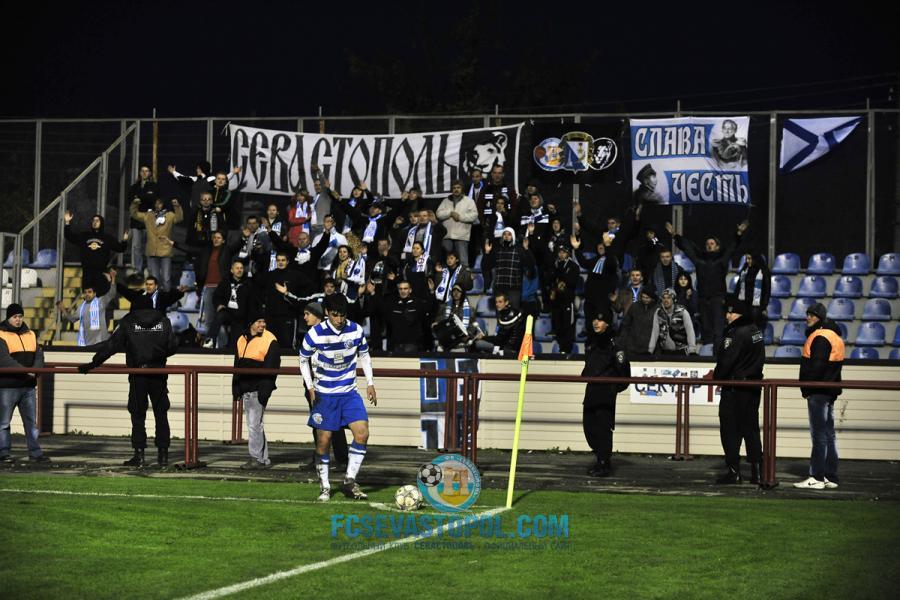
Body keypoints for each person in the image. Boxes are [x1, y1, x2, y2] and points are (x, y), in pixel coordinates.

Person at [78, 304, 178, 467]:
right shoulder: (164, 321)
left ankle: (139, 455)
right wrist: (157, 356)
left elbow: (111, 346)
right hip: (158, 373)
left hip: (137, 373)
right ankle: (163, 455)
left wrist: (93, 364)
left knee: (137, 415)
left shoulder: (128, 321)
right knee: (161, 413)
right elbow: (173, 346)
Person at [299, 294, 377, 502]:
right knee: (323, 442)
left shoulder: (356, 330)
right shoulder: (315, 334)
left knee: (362, 433)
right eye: (335, 315)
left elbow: (364, 355)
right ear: (327, 313)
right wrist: (310, 386)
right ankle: (325, 486)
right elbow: (303, 359)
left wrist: (370, 383)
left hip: (349, 393)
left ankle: (349, 481)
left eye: (342, 315)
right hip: (325, 395)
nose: (339, 319)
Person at [669, 220, 747, 348]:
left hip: (718, 299)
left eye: (712, 243)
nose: (709, 245)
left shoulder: (722, 259)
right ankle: (706, 355)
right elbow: (688, 248)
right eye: (707, 244)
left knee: (718, 330)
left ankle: (718, 355)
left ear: (717, 247)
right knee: (706, 329)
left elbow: (732, 248)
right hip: (703, 299)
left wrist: (738, 233)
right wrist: (675, 235)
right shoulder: (699, 260)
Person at [713, 297, 765, 485]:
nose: (727, 316)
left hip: (735, 388)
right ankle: (757, 471)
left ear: (739, 314)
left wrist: (717, 377)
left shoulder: (736, 333)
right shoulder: (756, 330)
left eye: (731, 312)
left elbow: (727, 360)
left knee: (729, 430)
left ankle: (734, 471)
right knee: (751, 429)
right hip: (753, 386)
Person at [794, 302, 844, 490]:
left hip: (818, 392)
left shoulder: (820, 336)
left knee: (819, 435)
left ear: (820, 318)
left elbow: (817, 367)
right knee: (829, 434)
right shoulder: (834, 335)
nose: (808, 317)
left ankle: (817, 476)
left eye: (812, 315)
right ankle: (830, 475)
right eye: (807, 314)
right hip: (828, 391)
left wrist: (807, 388)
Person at [300, 302, 349, 470]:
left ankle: (342, 460)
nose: (305, 317)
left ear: (317, 316)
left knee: (335, 424)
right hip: (313, 386)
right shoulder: (311, 334)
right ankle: (320, 459)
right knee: (317, 423)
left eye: (308, 314)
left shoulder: (329, 333)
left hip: (328, 385)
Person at [582, 309, 630, 477]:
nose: (596, 323)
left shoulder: (614, 343)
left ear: (608, 323)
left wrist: (612, 388)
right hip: (591, 390)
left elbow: (624, 372)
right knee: (589, 429)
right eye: (594, 319)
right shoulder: (591, 341)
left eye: (600, 320)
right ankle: (601, 458)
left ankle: (603, 463)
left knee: (603, 429)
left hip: (605, 392)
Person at [0, 304, 49, 463]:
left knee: (31, 423)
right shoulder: (1, 334)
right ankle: (3, 453)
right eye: (15, 317)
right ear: (8, 318)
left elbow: (39, 355)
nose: (18, 319)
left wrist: (34, 370)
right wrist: (28, 371)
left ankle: (35, 453)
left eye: (20, 316)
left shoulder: (31, 334)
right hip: (8, 386)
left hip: (28, 386)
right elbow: (4, 360)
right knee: (4, 423)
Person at [232, 315, 280, 469]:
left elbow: (272, 367)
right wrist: (236, 388)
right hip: (247, 388)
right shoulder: (241, 339)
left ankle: (256, 458)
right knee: (255, 424)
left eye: (264, 321)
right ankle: (262, 459)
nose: (263, 324)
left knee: (253, 424)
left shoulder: (270, 339)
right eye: (259, 321)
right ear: (251, 323)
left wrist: (264, 390)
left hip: (257, 389)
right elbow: (237, 365)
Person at [63, 210, 128, 295]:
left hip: (101, 273)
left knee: (100, 297)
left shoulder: (107, 238)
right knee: (88, 298)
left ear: (101, 223)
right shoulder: (85, 236)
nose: (95, 222)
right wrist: (67, 222)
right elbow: (69, 237)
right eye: (93, 220)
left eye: (97, 220)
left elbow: (120, 248)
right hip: (87, 273)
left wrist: (124, 240)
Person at [129, 197, 184, 290]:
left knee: (166, 279)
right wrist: (135, 204)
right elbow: (134, 214)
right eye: (156, 203)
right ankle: (156, 298)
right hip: (152, 252)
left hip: (165, 251)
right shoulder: (148, 215)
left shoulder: (169, 216)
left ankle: (166, 297)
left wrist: (177, 206)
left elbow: (179, 218)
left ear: (163, 204)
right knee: (154, 279)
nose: (157, 205)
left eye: (160, 203)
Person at [57, 271, 116, 347]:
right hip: (89, 344)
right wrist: (63, 309)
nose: (87, 294)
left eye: (89, 292)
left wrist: (113, 279)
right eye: (85, 292)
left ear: (94, 294)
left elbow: (112, 293)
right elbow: (72, 319)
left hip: (102, 342)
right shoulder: (81, 307)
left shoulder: (100, 302)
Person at [481, 227, 536, 310]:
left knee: (514, 314)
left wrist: (526, 249)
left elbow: (531, 264)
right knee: (500, 315)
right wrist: (487, 252)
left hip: (514, 290)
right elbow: (485, 266)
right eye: (504, 234)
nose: (506, 236)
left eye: (509, 234)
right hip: (499, 290)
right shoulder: (497, 250)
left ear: (513, 236)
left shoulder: (519, 250)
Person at [209, 260, 255, 349]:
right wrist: (219, 305)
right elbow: (216, 296)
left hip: (240, 317)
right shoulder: (225, 281)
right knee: (220, 315)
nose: (239, 270)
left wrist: (250, 320)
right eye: (237, 268)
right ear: (232, 270)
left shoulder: (248, 284)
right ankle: (209, 340)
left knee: (234, 346)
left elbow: (251, 303)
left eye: (241, 268)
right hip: (227, 312)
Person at [436, 180, 478, 267]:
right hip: (447, 235)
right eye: (454, 188)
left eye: (458, 187)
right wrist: (450, 213)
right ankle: (446, 275)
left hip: (461, 235)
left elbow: (474, 215)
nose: (456, 190)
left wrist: (460, 217)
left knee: (463, 261)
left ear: (462, 189)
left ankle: (464, 276)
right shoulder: (446, 201)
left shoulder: (469, 201)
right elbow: (438, 214)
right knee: (446, 260)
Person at [128, 165, 160, 279]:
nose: (145, 173)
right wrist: (145, 197)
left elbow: (154, 199)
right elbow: (130, 200)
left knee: (149, 246)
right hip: (136, 220)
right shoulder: (134, 187)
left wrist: (140, 198)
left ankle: (151, 271)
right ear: (140, 173)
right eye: (142, 171)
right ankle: (138, 270)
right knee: (136, 246)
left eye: (147, 171)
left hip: (149, 220)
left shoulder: (154, 186)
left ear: (150, 173)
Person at [472, 292, 526, 357]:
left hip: (508, 350)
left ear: (506, 302)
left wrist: (484, 337)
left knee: (477, 343)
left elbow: (499, 340)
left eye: (500, 302)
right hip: (508, 347)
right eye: (496, 302)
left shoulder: (508, 317)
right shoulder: (509, 313)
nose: (497, 304)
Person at [548, 243, 580, 354]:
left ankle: (567, 350)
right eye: (560, 252)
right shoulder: (555, 264)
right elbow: (550, 279)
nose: (561, 254)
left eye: (563, 252)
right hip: (557, 301)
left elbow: (573, 282)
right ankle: (561, 349)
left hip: (567, 300)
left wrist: (561, 276)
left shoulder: (573, 266)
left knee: (568, 326)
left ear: (568, 253)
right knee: (558, 326)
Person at [384, 281, 432, 353]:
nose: (403, 291)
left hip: (412, 344)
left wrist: (432, 292)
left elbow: (431, 308)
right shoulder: (393, 305)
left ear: (410, 290)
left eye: (405, 288)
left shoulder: (418, 304)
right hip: (396, 344)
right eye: (400, 289)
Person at [649, 288, 698, 355]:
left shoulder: (682, 312)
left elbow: (690, 332)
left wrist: (692, 350)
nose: (666, 300)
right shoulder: (658, 313)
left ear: (673, 299)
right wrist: (650, 351)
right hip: (665, 352)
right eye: (664, 298)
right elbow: (654, 333)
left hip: (682, 351)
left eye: (668, 298)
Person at [616, 287, 658, 359]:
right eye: (643, 297)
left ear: (652, 298)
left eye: (647, 298)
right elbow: (626, 325)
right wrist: (622, 343)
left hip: (649, 349)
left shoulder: (657, 309)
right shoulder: (634, 306)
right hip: (632, 347)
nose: (645, 299)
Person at [736, 252, 771, 331]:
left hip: (757, 305)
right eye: (746, 259)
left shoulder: (763, 270)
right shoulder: (745, 269)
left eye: (749, 259)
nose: (747, 261)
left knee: (755, 328)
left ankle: (756, 339)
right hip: (744, 303)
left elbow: (767, 289)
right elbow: (738, 286)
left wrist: (764, 306)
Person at [116, 275, 185, 314]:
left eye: (151, 284)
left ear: (156, 286)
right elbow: (125, 291)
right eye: (147, 284)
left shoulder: (161, 297)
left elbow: (172, 296)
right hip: (138, 326)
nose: (148, 286)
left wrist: (180, 292)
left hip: (155, 328)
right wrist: (113, 282)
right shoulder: (138, 295)